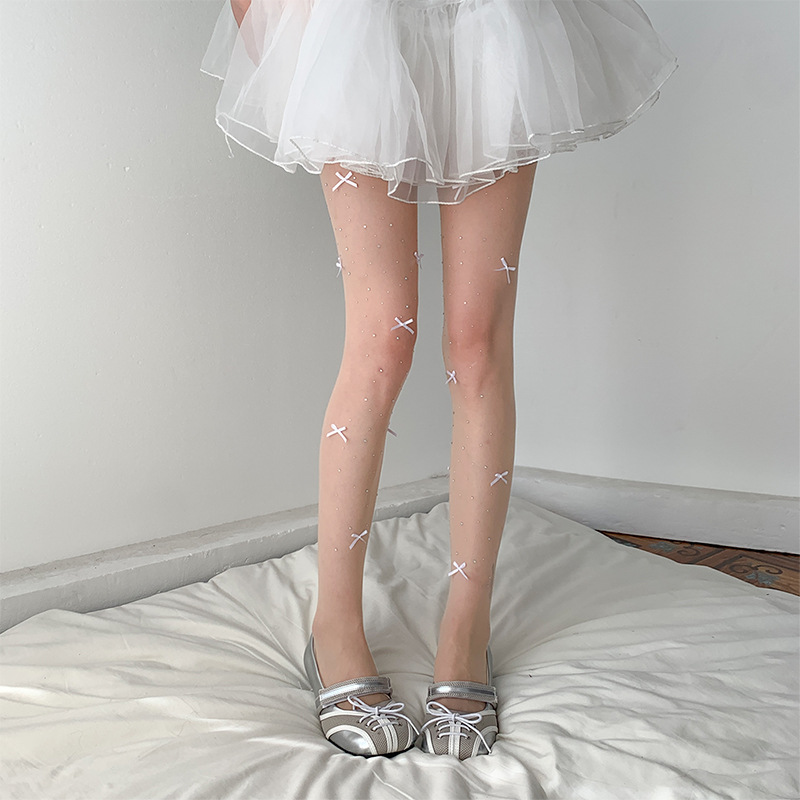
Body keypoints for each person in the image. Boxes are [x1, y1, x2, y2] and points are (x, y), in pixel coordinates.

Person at [202, 0, 678, 760]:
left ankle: (466, 627)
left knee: (477, 343)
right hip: (359, 22)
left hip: (491, 21)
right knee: (382, 339)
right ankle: (335, 625)